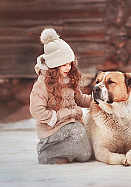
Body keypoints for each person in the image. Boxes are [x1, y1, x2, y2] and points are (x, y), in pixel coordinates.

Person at [30, 28, 92, 164]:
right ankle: (46, 152)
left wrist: (97, 100)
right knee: (78, 131)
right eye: (64, 65)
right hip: (51, 130)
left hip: (69, 125)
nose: (68, 68)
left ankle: (66, 153)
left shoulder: (68, 80)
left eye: (70, 64)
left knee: (86, 153)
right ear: (53, 66)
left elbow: (79, 99)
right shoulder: (42, 85)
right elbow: (36, 111)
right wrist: (65, 114)